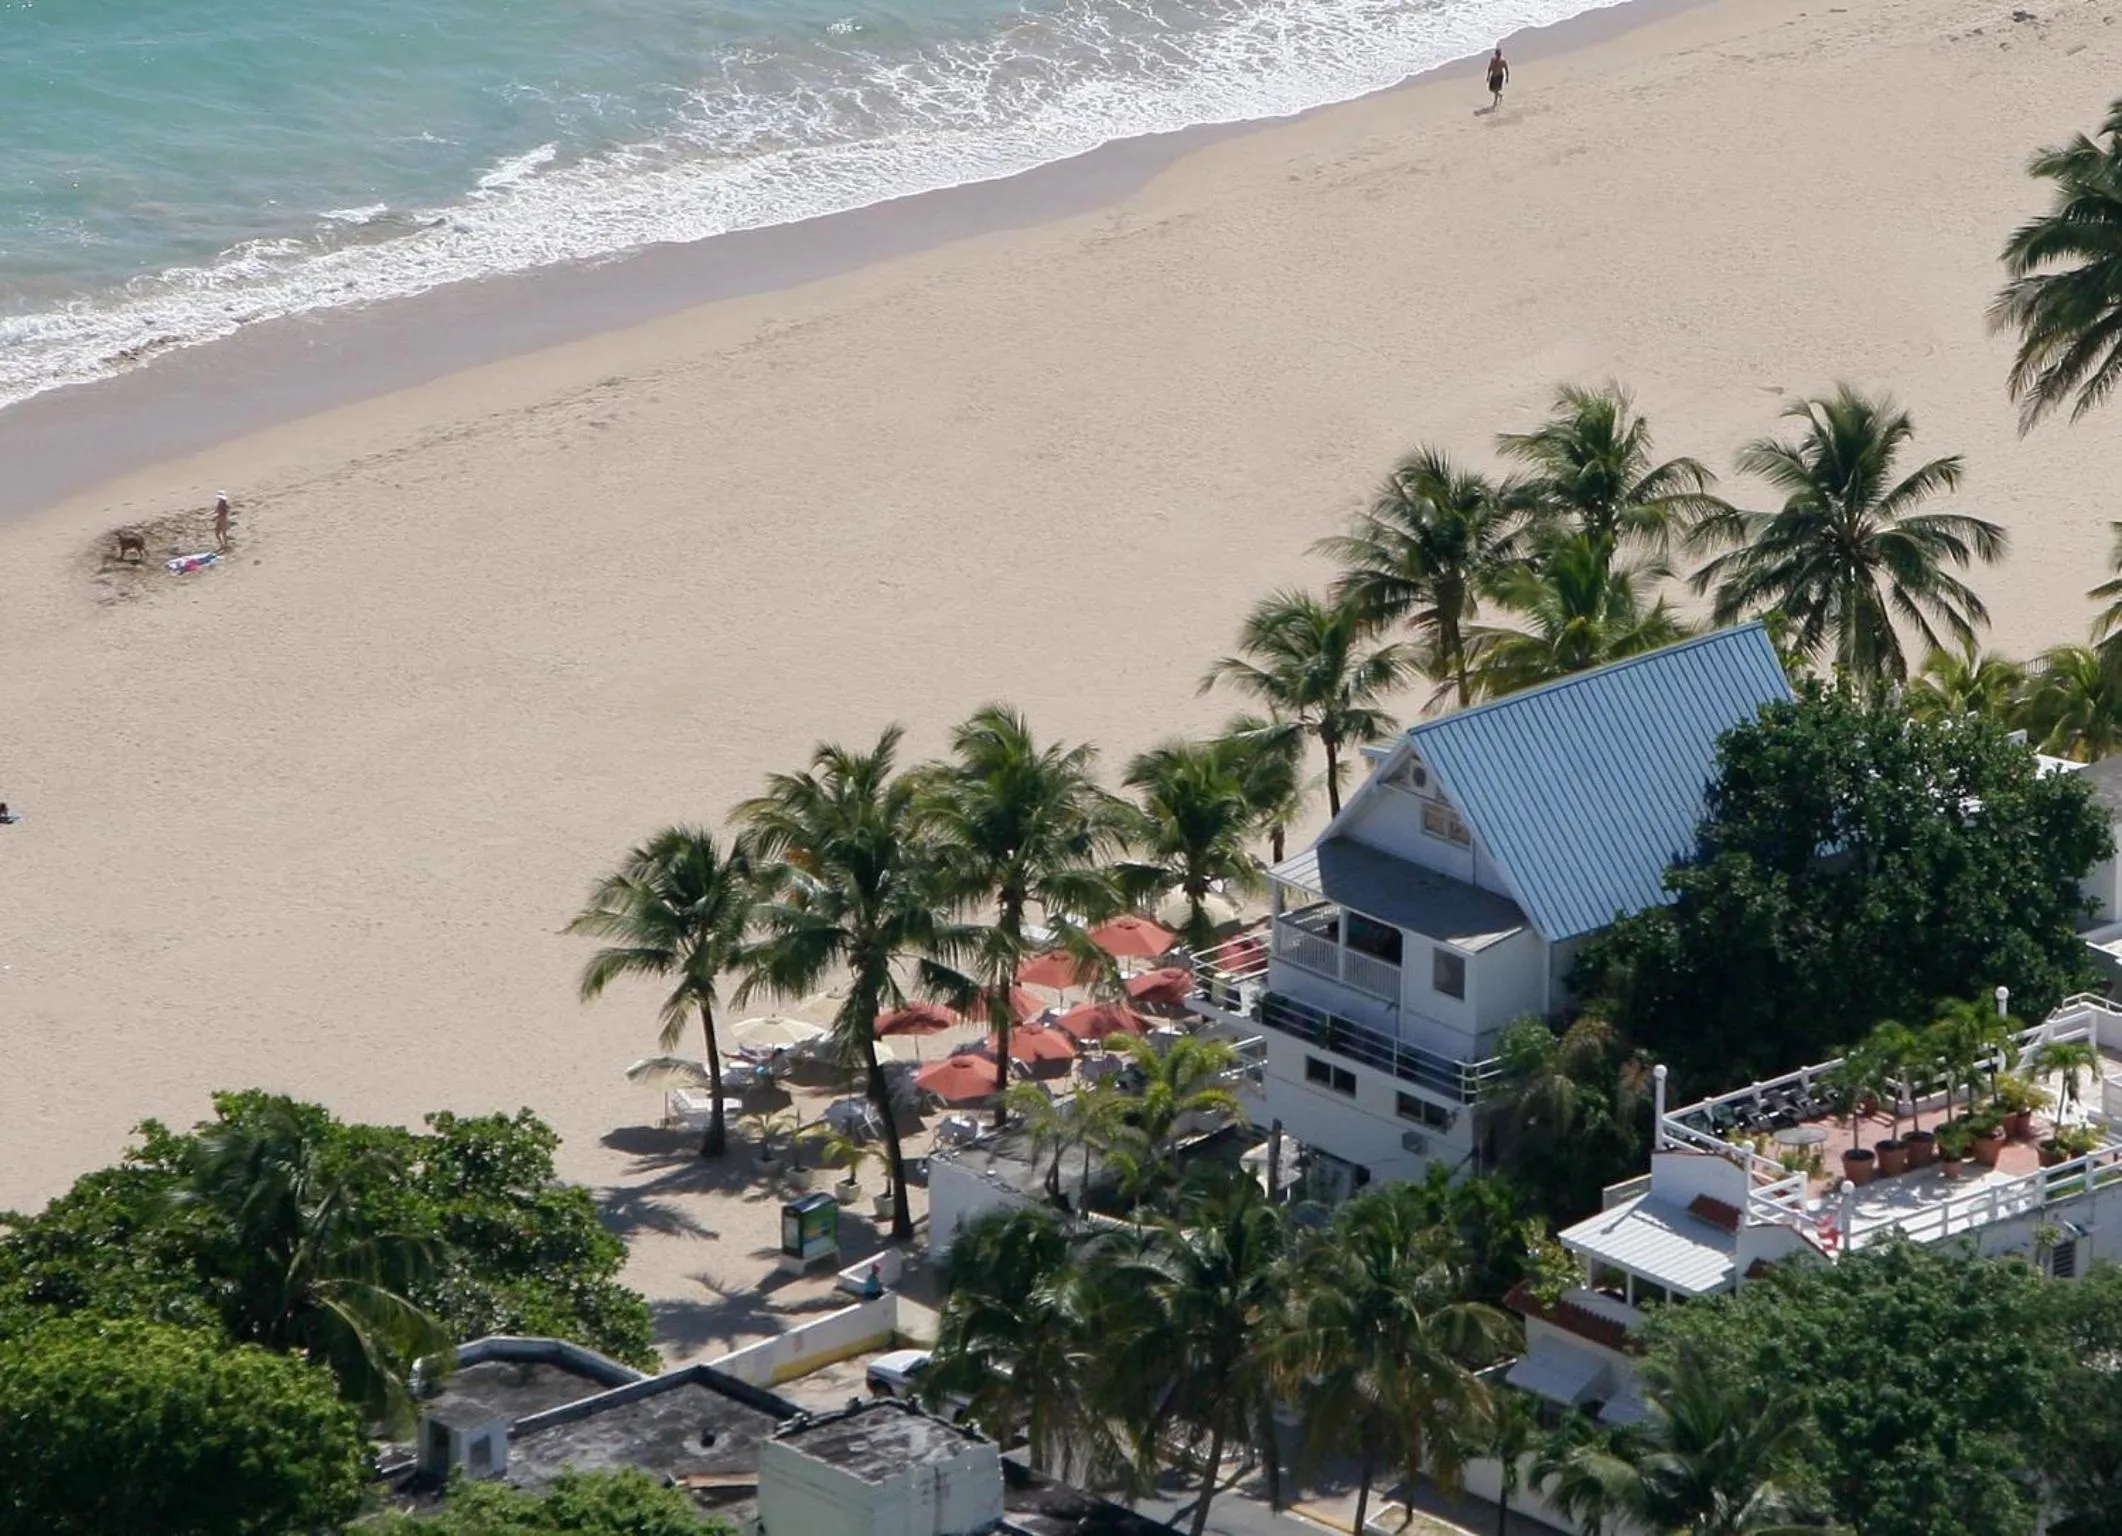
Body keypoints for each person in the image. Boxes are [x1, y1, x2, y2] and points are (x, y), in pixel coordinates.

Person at [1486, 45, 1510, 110]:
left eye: (1499, 54)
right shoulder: (1493, 59)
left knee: (1496, 89)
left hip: (1499, 76)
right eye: (1497, 54)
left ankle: (1495, 103)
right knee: (1491, 89)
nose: (1498, 55)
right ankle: (1500, 95)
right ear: (1495, 54)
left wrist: (1507, 77)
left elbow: (1506, 69)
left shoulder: (1503, 61)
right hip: (1493, 76)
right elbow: (1490, 68)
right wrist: (1488, 76)